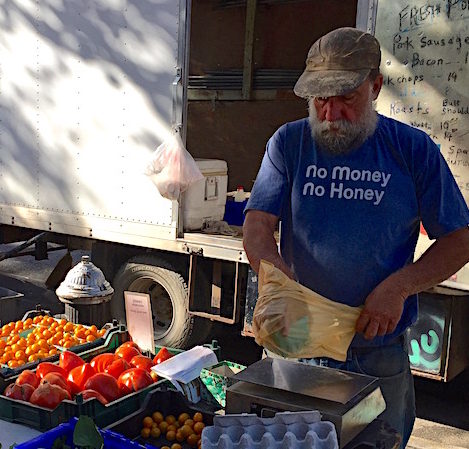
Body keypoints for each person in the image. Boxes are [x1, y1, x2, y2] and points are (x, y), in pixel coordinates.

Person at [242, 27, 469, 448]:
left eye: (345, 99)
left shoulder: (412, 150)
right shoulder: (288, 143)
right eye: (320, 100)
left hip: (375, 353)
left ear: (376, 86)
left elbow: (459, 239)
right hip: (295, 344)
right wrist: (274, 277)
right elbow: (257, 225)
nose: (330, 114)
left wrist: (400, 287)